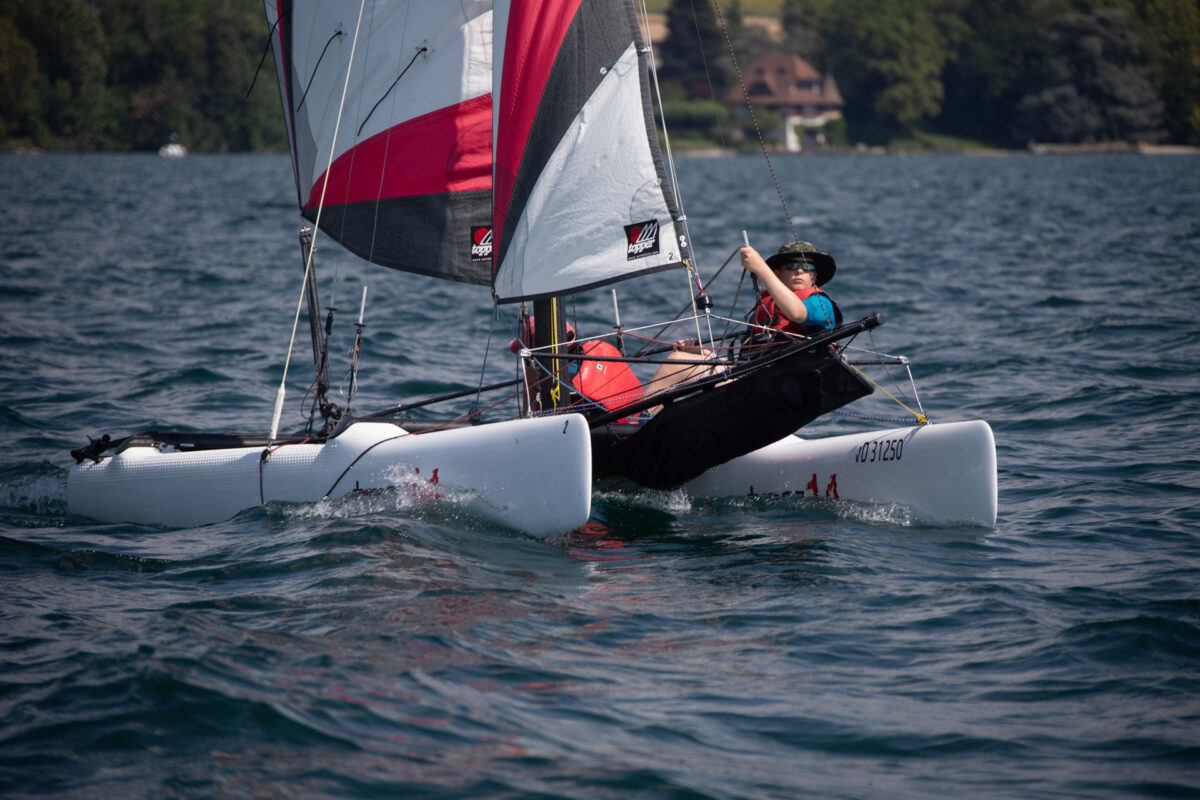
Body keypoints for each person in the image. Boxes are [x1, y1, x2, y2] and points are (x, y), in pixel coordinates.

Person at [645, 239, 843, 404]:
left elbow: (796, 313)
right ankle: (642, 422)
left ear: (814, 275)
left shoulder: (819, 303)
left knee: (687, 371)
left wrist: (760, 269)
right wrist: (702, 354)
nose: (800, 271)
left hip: (792, 388)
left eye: (807, 266)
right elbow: (745, 359)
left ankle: (641, 427)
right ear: (778, 273)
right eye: (791, 266)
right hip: (757, 382)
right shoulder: (765, 308)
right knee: (680, 360)